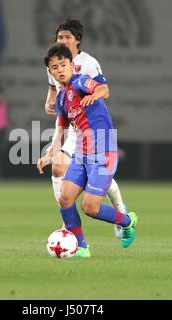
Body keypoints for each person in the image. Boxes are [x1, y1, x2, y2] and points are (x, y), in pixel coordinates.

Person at [38, 44, 138, 257]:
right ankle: (82, 247)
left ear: (72, 65)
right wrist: (48, 155)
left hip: (103, 151)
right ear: (51, 72)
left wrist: (95, 95)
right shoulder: (61, 99)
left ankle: (128, 222)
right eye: (54, 67)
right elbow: (62, 131)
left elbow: (104, 89)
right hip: (81, 153)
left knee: (90, 207)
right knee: (64, 198)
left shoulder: (80, 81)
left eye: (63, 64)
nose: (59, 70)